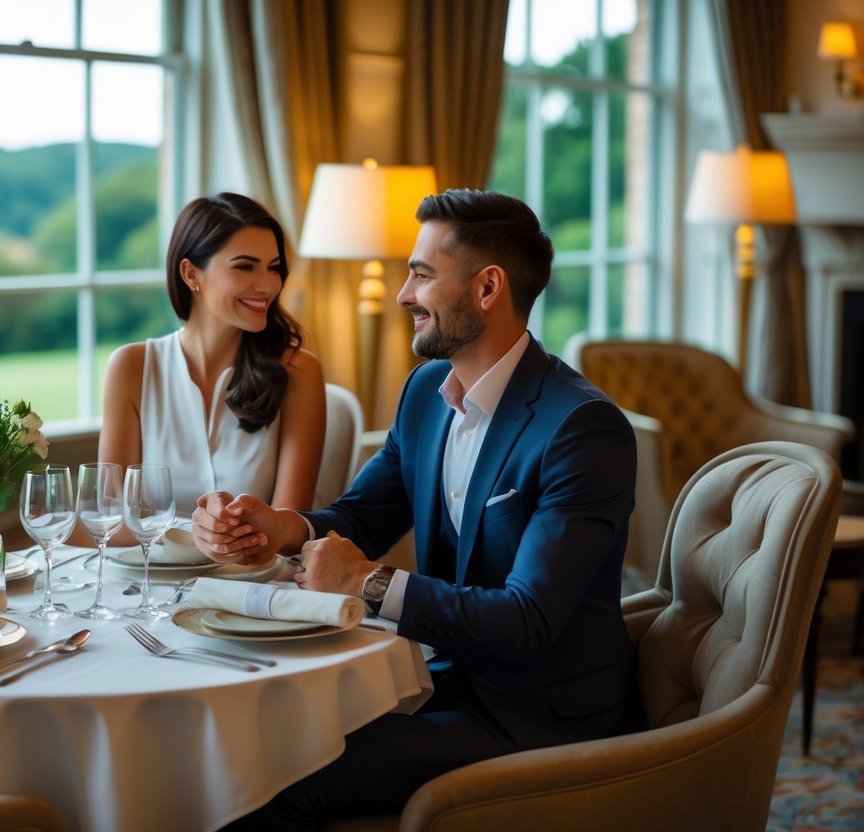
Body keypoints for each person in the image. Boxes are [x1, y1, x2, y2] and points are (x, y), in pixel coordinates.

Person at [193, 189, 638, 828]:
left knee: (266, 779)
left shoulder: (581, 428)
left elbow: (528, 621)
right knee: (246, 737)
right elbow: (363, 514)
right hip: (432, 677)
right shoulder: (427, 390)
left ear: (488, 288)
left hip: (533, 716)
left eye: (422, 274)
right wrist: (281, 527)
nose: (404, 294)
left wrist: (367, 583)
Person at [97, 192, 326, 531]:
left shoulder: (299, 371)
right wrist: (196, 539)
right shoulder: (131, 367)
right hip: (151, 579)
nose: (267, 285)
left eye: (274, 268)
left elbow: (285, 530)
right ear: (191, 274)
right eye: (245, 266)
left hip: (253, 579)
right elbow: (110, 519)